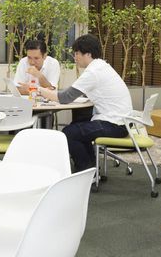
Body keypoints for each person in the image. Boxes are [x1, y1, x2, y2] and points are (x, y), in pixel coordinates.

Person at [38, 34, 132, 172]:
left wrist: (39, 90)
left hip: (115, 124)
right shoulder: (101, 66)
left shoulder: (93, 72)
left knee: (69, 133)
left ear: (88, 54)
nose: (74, 57)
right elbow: (73, 93)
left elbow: (66, 97)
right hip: (121, 121)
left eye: (77, 53)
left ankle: (85, 170)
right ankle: (91, 168)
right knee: (78, 124)